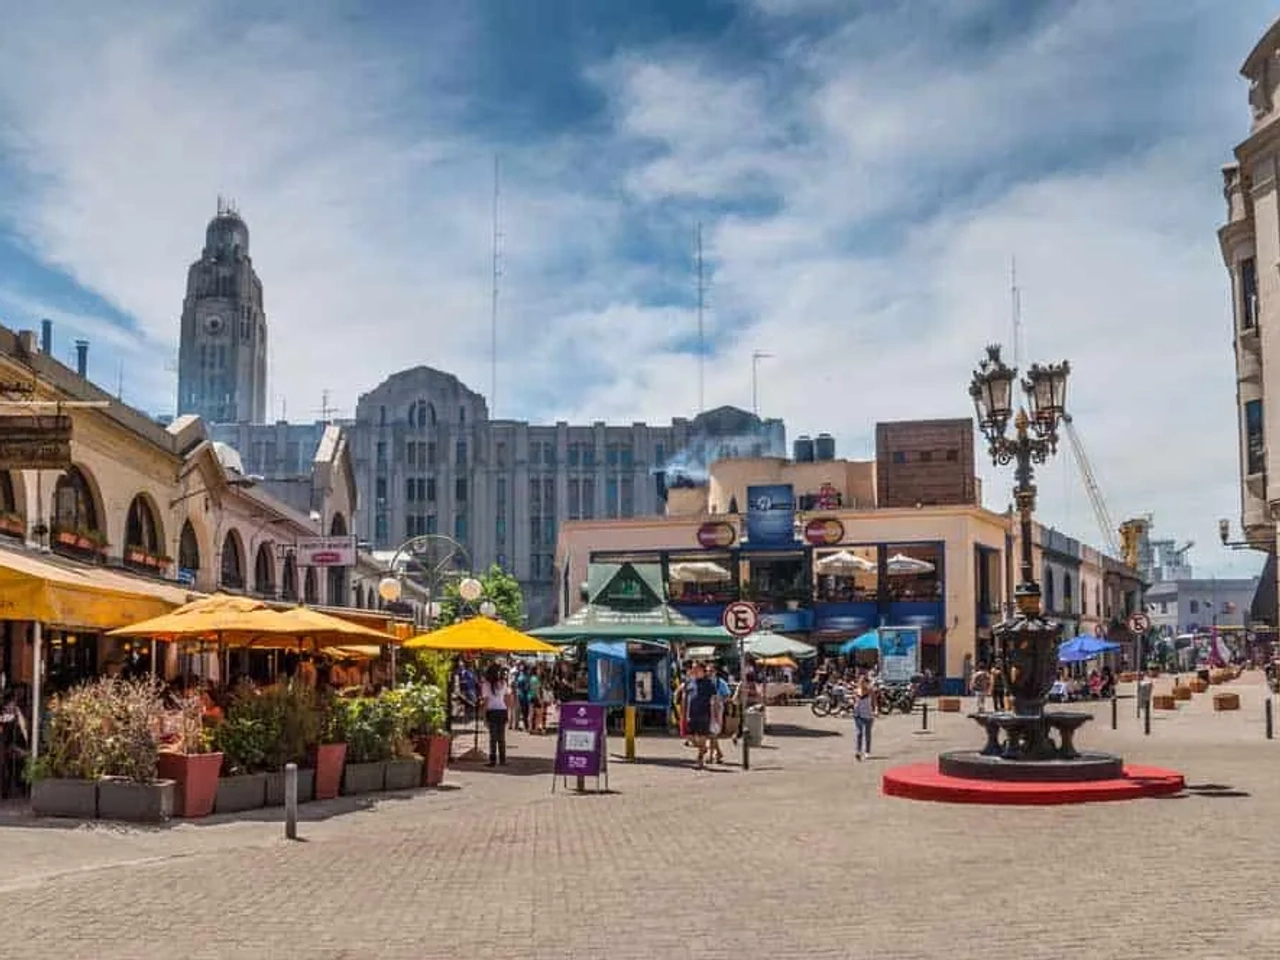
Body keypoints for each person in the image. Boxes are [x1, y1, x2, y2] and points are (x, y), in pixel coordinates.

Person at [683, 662, 717, 769]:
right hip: (691, 714)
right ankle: (703, 748)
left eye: (696, 668)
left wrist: (714, 716)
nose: (693, 670)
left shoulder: (709, 683)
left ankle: (700, 758)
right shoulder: (690, 682)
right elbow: (686, 698)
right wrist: (685, 713)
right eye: (693, 668)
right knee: (689, 736)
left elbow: (713, 700)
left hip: (704, 714)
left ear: (702, 670)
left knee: (702, 737)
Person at [480, 663, 509, 767]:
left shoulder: (486, 684)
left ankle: (492, 760)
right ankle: (503, 759)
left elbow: (486, 702)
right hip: (502, 711)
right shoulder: (503, 683)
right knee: (501, 737)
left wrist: (483, 716)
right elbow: (507, 698)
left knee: (493, 738)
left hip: (492, 712)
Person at [707, 664, 730, 764]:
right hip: (707, 709)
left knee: (713, 733)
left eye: (711, 671)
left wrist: (719, 700)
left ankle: (711, 756)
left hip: (717, 710)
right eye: (707, 671)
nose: (709, 673)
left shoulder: (721, 683)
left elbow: (727, 696)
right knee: (711, 734)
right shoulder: (706, 682)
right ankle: (718, 753)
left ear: (715, 672)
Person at [852, 678, 874, 761]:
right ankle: (858, 751)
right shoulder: (856, 691)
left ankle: (867, 751)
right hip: (857, 714)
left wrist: (875, 710)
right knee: (859, 733)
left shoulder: (870, 691)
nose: (861, 683)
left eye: (863, 682)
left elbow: (874, 702)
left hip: (868, 714)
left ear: (866, 683)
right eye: (860, 682)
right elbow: (855, 701)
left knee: (867, 733)